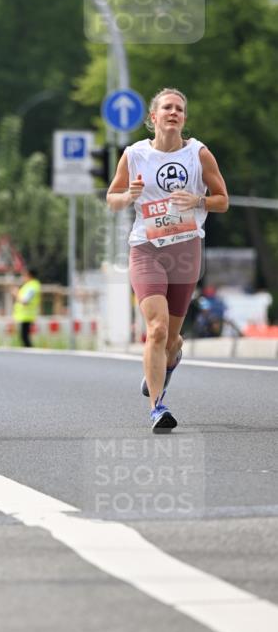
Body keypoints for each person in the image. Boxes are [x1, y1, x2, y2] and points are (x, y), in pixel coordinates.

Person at [106, 87, 228, 431]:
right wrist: (127, 195)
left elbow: (222, 200)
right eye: (167, 108)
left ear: (184, 118)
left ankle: (167, 364)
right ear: (153, 117)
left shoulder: (198, 154)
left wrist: (198, 201)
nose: (174, 113)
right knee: (156, 329)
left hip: (185, 250)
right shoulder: (134, 155)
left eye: (179, 109)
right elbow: (112, 198)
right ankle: (157, 407)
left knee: (172, 340)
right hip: (146, 248)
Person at [13, 267, 41, 347]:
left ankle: (30, 351)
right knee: (24, 336)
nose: (23, 277)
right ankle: (29, 350)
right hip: (25, 315)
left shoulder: (32, 286)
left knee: (24, 337)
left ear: (29, 275)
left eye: (24, 275)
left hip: (26, 315)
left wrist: (16, 293)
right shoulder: (30, 285)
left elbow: (25, 301)